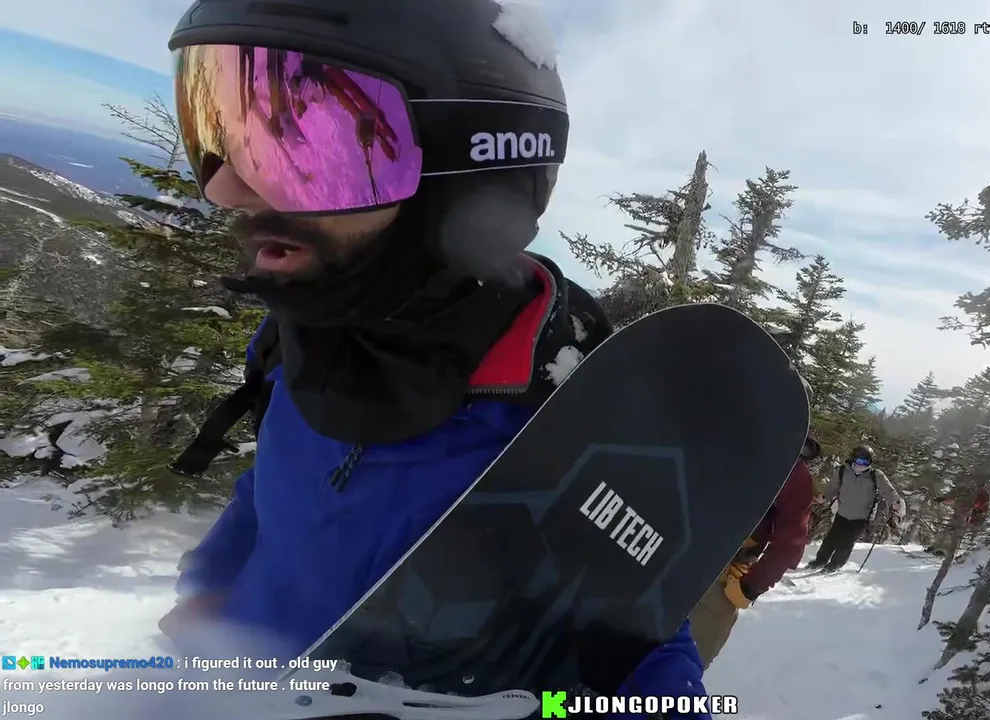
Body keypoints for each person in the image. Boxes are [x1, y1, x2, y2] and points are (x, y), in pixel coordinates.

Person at [156, 0, 708, 716]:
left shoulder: (571, 416)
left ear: (474, 170)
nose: (226, 188)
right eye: (223, 134)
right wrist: (212, 591)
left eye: (312, 147)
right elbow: (274, 490)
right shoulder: (302, 337)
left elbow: (639, 634)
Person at [687, 431, 817, 667]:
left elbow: (789, 545)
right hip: (675, 551)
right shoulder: (731, 433)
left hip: (722, 570)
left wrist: (751, 585)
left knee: (686, 658)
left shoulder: (794, 473)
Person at [805, 445, 904, 573]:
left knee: (846, 543)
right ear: (853, 459)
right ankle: (820, 560)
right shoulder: (842, 471)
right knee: (831, 539)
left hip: (861, 518)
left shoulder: (875, 475)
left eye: (865, 462)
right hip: (842, 514)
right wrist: (824, 497)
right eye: (859, 461)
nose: (861, 465)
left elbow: (888, 491)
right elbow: (832, 488)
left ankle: (834, 565)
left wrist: (895, 502)